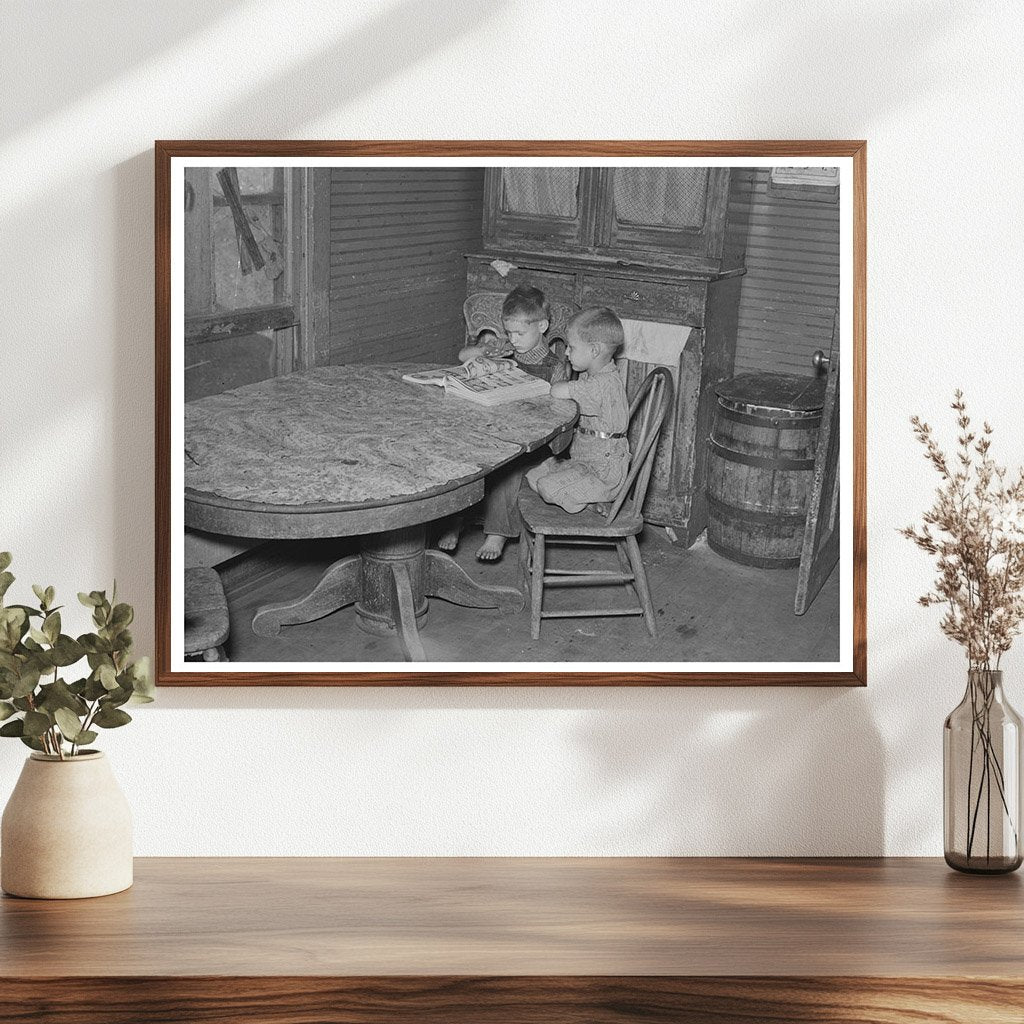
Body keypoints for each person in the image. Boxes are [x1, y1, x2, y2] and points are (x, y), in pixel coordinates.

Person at [438, 285, 570, 561]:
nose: (515, 339)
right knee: (464, 458)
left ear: (543, 326)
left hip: (531, 440)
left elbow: (562, 408)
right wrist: (487, 350)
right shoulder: (507, 351)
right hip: (494, 430)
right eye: (510, 332)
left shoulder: (554, 365)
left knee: (507, 470)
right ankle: (454, 523)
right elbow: (463, 357)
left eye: (521, 333)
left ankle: (497, 533)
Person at [525, 307, 629, 513]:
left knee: (546, 487)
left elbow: (558, 390)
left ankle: (589, 502)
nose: (566, 352)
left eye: (571, 348)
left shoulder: (602, 384)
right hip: (584, 461)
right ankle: (582, 498)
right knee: (532, 475)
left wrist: (559, 381)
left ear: (594, 351)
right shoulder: (591, 375)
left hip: (603, 473)